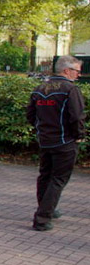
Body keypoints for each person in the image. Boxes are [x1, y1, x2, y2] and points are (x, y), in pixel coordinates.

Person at [25, 55, 85, 231]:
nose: (78, 75)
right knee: (58, 179)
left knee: (45, 176)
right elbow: (76, 116)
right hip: (65, 141)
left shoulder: (40, 88)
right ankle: (42, 218)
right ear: (67, 70)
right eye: (77, 71)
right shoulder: (70, 89)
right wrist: (79, 135)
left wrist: (41, 130)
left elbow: (30, 115)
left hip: (45, 140)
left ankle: (46, 207)